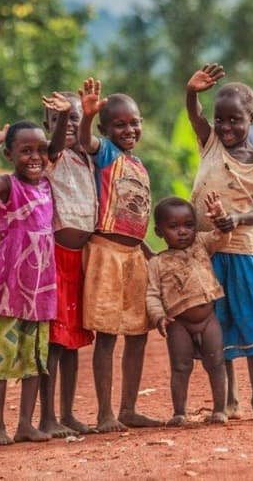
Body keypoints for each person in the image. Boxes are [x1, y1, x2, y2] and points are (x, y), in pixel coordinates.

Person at [0, 95, 69, 447]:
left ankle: (26, 423)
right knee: (0, 358)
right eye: (25, 151)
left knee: (34, 360)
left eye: (40, 150)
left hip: (40, 289)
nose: (35, 156)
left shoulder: (45, 182)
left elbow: (54, 147)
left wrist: (66, 116)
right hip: (9, 289)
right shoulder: (10, 185)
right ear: (10, 155)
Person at [186, 64, 253, 421]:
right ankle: (229, 399)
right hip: (208, 251)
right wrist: (191, 91)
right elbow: (194, 115)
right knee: (218, 328)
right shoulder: (209, 143)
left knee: (251, 321)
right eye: (220, 119)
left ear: (251, 118)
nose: (226, 128)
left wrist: (238, 219)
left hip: (243, 252)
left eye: (235, 120)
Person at [77, 78, 161, 432]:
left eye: (135, 122)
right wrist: (85, 116)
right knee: (108, 335)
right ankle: (105, 414)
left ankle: (129, 408)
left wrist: (147, 249)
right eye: (120, 124)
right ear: (105, 129)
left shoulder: (138, 164)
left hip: (134, 257)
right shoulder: (106, 153)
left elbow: (136, 215)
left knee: (139, 333)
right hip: (107, 255)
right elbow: (85, 141)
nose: (129, 129)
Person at [37, 92, 96, 438]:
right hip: (55, 258)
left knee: (72, 341)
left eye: (73, 118)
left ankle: (69, 412)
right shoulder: (52, 156)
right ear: (48, 125)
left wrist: (85, 115)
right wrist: (62, 123)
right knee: (55, 343)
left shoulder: (88, 158)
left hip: (81, 261)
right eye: (58, 119)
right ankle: (47, 417)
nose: (68, 125)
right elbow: (58, 143)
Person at [147, 193, 232, 426]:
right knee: (180, 366)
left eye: (188, 225)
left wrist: (219, 216)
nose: (182, 231)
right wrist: (158, 316)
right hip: (179, 323)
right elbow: (152, 294)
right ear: (159, 232)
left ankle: (219, 410)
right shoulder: (158, 262)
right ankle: (179, 412)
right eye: (173, 227)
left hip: (208, 319)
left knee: (216, 362)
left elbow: (222, 238)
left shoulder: (201, 244)